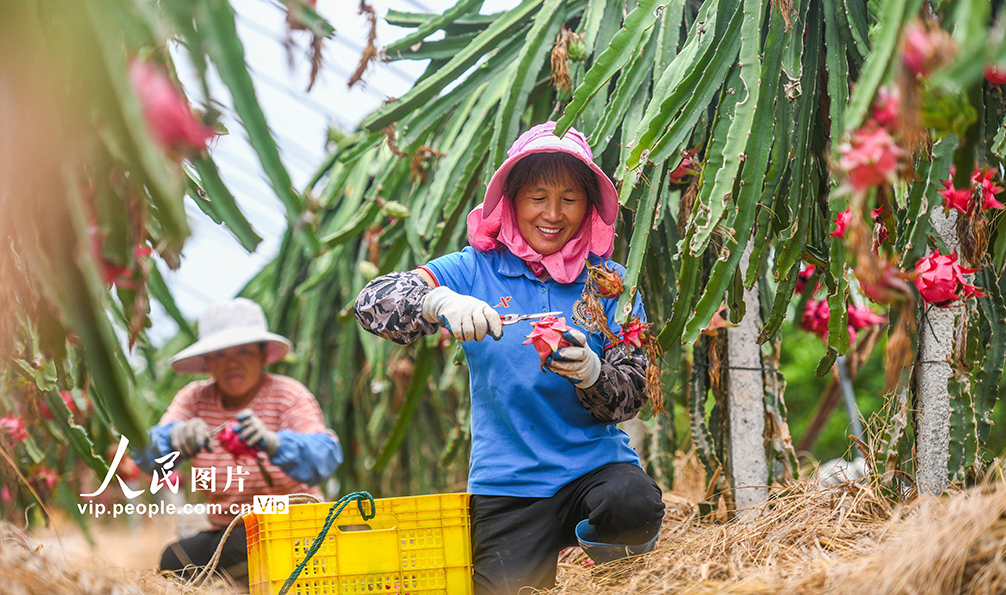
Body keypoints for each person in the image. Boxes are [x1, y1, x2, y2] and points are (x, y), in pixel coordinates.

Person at [354, 122, 664, 595]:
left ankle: (600, 575)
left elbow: (632, 393)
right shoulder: (472, 269)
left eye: (570, 199)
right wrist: (438, 303)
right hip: (508, 482)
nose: (553, 213)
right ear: (513, 200)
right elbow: (373, 302)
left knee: (634, 502)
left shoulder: (611, 283)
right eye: (538, 196)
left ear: (589, 208)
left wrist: (595, 375)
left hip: (595, 470)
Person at [139, 298, 342, 584]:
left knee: (242, 546)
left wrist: (274, 444)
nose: (232, 362)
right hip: (228, 531)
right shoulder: (194, 400)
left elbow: (325, 457)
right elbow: (145, 456)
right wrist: (172, 438)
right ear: (208, 362)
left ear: (262, 355)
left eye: (244, 351)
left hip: (290, 529)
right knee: (174, 560)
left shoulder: (288, 395)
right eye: (220, 354)